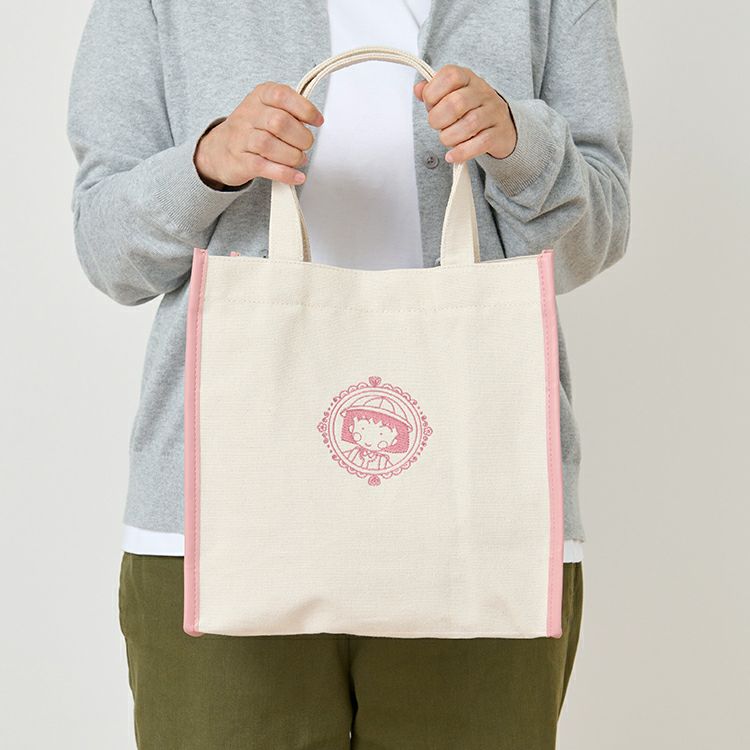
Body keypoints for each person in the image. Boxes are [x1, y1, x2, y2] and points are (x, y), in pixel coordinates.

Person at [66, 0, 631, 747]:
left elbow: (598, 236)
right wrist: (207, 164)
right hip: (219, 517)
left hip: (485, 517)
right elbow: (107, 250)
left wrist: (519, 147)